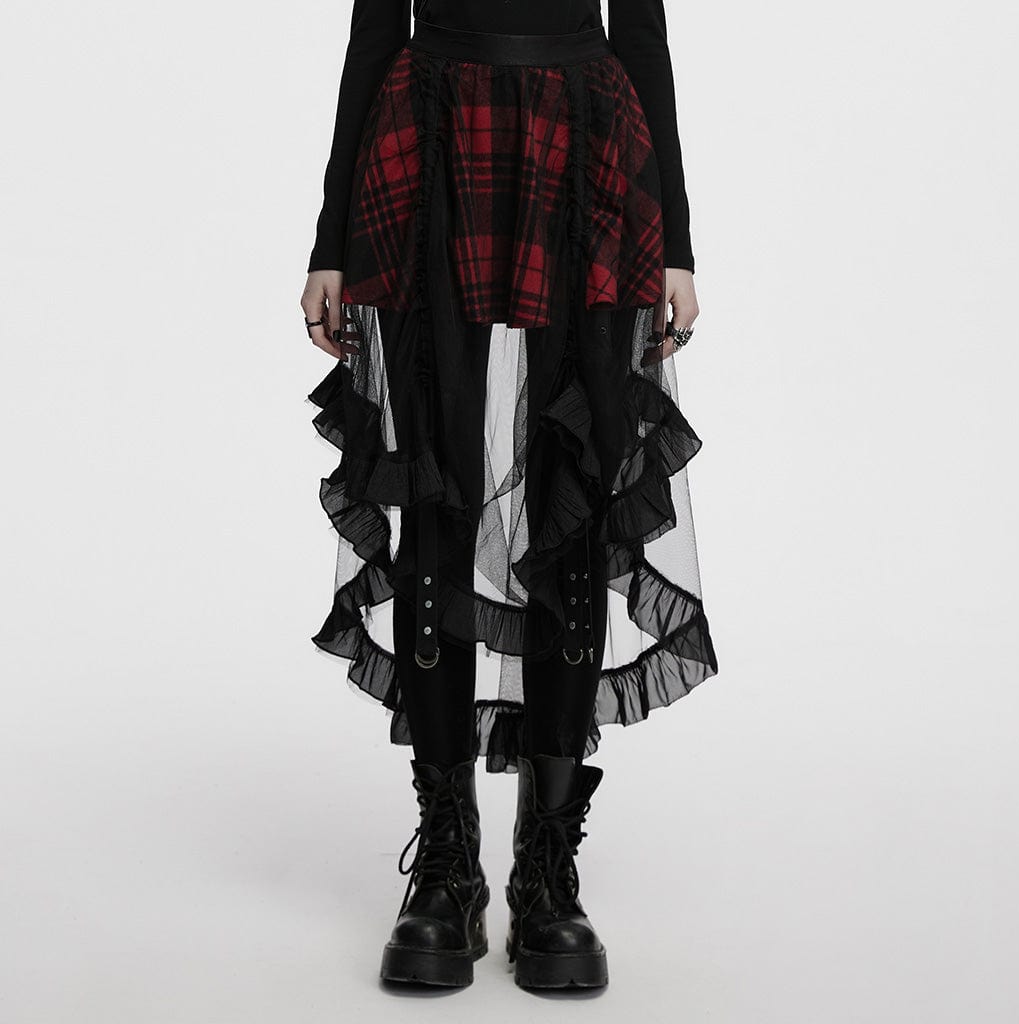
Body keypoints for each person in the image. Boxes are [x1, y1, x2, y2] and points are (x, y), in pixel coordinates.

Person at [299, 0, 719, 990]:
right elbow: (374, 29)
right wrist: (329, 242)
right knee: (432, 490)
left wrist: (677, 241)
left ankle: (546, 872)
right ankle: (447, 870)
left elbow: (642, 32)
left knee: (575, 490)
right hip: (430, 131)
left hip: (586, 140)